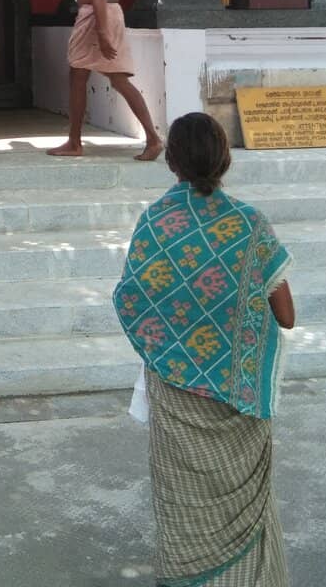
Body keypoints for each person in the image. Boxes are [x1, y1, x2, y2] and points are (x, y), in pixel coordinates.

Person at [113, 112, 295, 587]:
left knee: (183, 501)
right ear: (224, 158)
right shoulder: (250, 226)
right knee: (244, 509)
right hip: (240, 398)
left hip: (175, 391)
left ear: (171, 161)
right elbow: (286, 315)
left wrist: (176, 339)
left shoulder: (155, 223)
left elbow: (130, 298)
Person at [47, 0, 163, 162]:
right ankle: (151, 139)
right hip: (113, 12)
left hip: (95, 16)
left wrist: (101, 31)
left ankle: (76, 142)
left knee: (84, 75)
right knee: (104, 77)